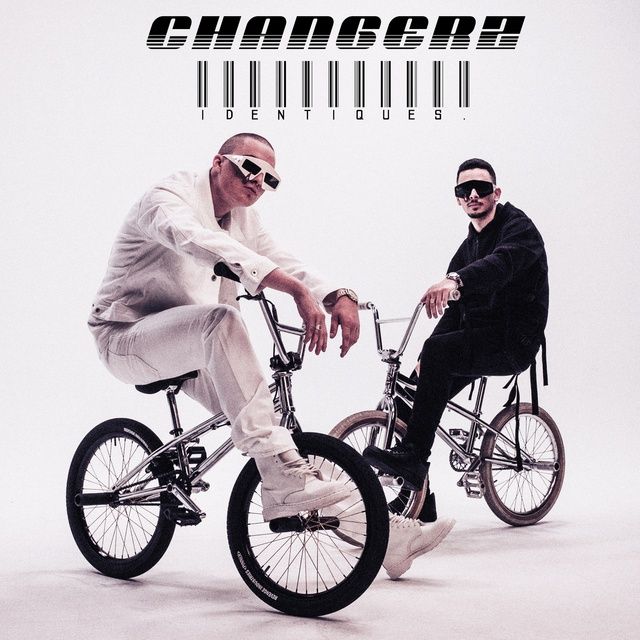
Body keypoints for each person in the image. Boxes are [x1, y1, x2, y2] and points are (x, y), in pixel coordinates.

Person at [87, 132, 446, 578]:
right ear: (218, 162)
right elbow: (199, 242)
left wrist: (337, 294)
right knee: (221, 322)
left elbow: (280, 258)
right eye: (250, 168)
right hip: (124, 335)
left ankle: (385, 537)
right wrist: (293, 290)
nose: (258, 182)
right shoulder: (167, 197)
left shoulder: (243, 219)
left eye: (269, 179)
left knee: (271, 427)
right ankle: (283, 488)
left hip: (189, 345)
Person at [364, 158, 549, 524]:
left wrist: (456, 280)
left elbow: (502, 264)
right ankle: (420, 501)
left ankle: (414, 460)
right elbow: (454, 311)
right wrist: (424, 355)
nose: (473, 194)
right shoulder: (469, 246)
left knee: (439, 354)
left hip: (514, 341)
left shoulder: (518, 228)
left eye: (482, 188)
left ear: (496, 193)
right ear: (458, 198)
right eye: (465, 190)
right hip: (479, 339)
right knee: (410, 395)